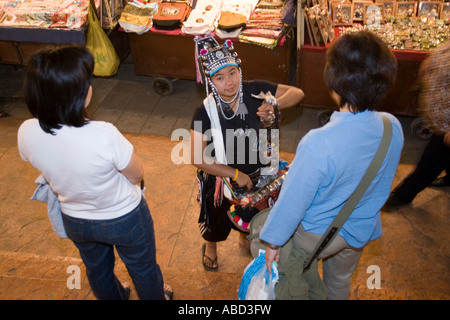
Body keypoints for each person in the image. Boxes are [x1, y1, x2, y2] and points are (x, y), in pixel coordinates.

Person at [17, 46, 172, 300]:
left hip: (76, 220)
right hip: (125, 218)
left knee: (98, 270)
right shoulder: (103, 133)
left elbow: (40, 161)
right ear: (81, 96)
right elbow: (136, 173)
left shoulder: (26, 131)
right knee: (143, 269)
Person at [260, 31, 404, 299]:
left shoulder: (317, 143)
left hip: (317, 235)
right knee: (339, 282)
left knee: (297, 280)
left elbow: (293, 202)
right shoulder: (391, 126)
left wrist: (273, 241)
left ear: (334, 84)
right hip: (361, 227)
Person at [190, 36, 304, 271]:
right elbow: (196, 157)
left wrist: (274, 103)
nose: (229, 83)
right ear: (210, 81)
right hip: (222, 178)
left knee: (254, 212)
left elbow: (297, 93)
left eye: (233, 73)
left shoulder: (253, 90)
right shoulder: (204, 112)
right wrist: (234, 174)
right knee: (217, 219)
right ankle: (211, 247)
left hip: (260, 170)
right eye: (220, 78)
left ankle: (246, 234)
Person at [384, 40, 450, 209]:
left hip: (446, 126)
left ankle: (403, 195)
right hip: (441, 119)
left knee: (431, 161)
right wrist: (431, 62)